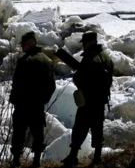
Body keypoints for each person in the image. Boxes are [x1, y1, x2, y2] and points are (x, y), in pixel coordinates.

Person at [62, 32, 114, 168]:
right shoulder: (105, 57)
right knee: (97, 127)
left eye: (85, 43)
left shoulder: (90, 57)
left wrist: (77, 75)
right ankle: (97, 156)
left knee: (80, 126)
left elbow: (80, 78)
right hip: (100, 99)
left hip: (89, 99)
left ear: (91, 42)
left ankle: (73, 156)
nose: (83, 45)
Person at [10, 31, 56, 168]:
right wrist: (42, 100)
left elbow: (17, 84)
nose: (22, 47)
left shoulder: (24, 61)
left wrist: (15, 100)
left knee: (19, 133)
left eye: (24, 44)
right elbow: (51, 85)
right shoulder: (47, 61)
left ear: (32, 43)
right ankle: (36, 161)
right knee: (38, 133)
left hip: (23, 105)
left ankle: (16, 160)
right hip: (37, 105)